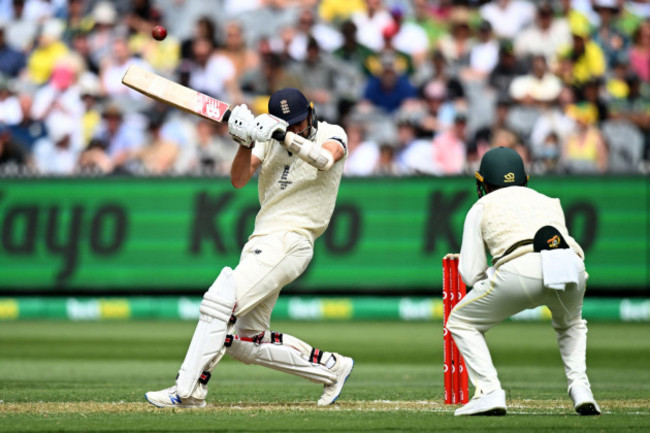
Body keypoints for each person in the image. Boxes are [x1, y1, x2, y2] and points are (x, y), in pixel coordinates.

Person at [145, 87, 354, 408]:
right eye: (290, 124)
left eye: (301, 122)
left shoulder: (331, 132)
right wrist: (244, 142)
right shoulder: (267, 138)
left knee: (219, 302)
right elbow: (239, 179)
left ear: (311, 112)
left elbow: (325, 160)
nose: (298, 128)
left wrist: (285, 136)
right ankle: (331, 368)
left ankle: (187, 390)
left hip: (292, 239)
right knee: (245, 342)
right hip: (261, 239)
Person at [446, 146, 600, 416]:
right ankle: (581, 390)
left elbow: (470, 274)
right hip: (571, 266)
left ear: (482, 182)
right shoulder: (548, 200)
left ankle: (490, 392)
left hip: (519, 269)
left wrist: (495, 280)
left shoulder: (481, 206)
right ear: (524, 179)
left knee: (461, 321)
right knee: (571, 325)